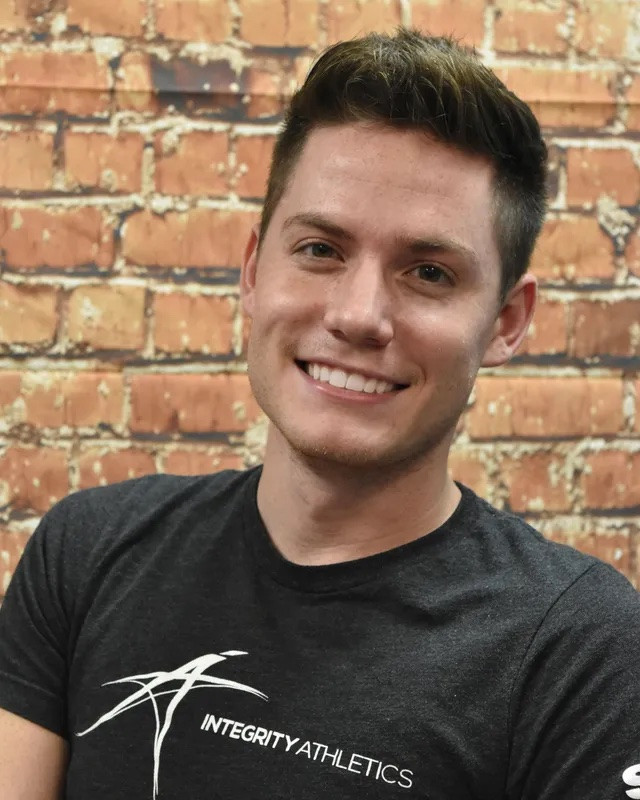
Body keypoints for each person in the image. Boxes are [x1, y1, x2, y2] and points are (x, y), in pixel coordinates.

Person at [0, 27, 638, 800]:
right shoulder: (89, 553)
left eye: (429, 272)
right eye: (321, 250)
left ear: (506, 322)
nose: (358, 315)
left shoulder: (581, 652)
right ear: (252, 270)